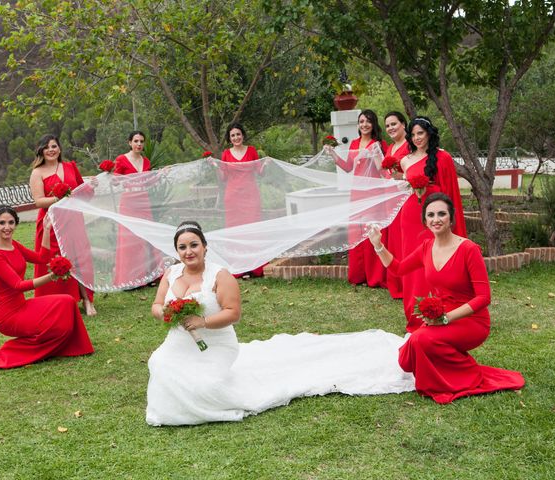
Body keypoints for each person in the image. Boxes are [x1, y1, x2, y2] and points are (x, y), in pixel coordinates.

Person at [145, 221, 415, 426]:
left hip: (215, 345)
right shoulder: (172, 273)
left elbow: (233, 313)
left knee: (210, 387)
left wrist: (202, 321)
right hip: (178, 343)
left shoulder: (220, 276)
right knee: (158, 362)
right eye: (182, 247)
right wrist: (168, 313)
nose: (188, 251)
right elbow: (156, 306)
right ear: (177, 251)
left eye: (194, 245)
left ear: (205, 247)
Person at [367, 193, 524, 403]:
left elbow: (484, 298)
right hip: (443, 316)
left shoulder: (468, 249)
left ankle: (468, 375)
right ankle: (449, 366)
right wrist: (378, 245)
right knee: (407, 357)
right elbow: (399, 269)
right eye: (430, 215)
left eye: (442, 213)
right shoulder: (426, 247)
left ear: (451, 218)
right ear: (425, 220)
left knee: (421, 340)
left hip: (471, 320)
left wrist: (445, 318)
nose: (436, 219)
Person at [0, 206, 94, 369]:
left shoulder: (14, 245)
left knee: (67, 301)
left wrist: (46, 229)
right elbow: (18, 285)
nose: (7, 227)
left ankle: (72, 346)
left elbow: (42, 257)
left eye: (11, 222)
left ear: (16, 224)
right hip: (6, 314)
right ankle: (19, 350)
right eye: (2, 223)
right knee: (55, 318)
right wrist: (53, 276)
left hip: (21, 305)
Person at [399, 116, 466, 332]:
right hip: (410, 217)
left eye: (421, 133)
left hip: (434, 218)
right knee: (414, 264)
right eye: (413, 134)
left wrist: (448, 220)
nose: (417, 138)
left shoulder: (442, 157)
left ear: (429, 133)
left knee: (434, 261)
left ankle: (437, 309)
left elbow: (449, 194)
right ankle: (415, 311)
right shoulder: (405, 160)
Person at [29, 134, 96, 315]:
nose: (51, 150)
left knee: (79, 258)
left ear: (59, 149)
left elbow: (83, 192)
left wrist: (93, 186)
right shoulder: (37, 172)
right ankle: (57, 301)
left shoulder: (70, 167)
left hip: (73, 219)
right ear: (41, 151)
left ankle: (87, 301)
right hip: (51, 223)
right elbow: (38, 201)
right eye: (47, 147)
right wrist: (59, 197)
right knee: (54, 261)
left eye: (54, 146)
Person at [325, 109, 388, 287]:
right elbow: (347, 167)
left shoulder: (379, 144)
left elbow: (383, 172)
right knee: (357, 233)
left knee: (372, 232)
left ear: (373, 124)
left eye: (368, 121)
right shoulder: (354, 143)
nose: (364, 125)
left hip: (374, 194)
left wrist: (378, 158)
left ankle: (375, 276)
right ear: (358, 125)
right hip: (357, 193)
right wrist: (332, 153)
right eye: (361, 122)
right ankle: (359, 275)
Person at [113, 130, 157, 287]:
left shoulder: (146, 162)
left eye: (141, 141)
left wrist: (159, 175)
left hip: (144, 201)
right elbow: (115, 181)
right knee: (130, 240)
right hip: (129, 202)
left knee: (147, 238)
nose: (139, 144)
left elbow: (148, 182)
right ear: (129, 143)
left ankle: (150, 275)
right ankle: (131, 279)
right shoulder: (121, 159)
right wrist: (110, 175)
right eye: (136, 141)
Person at [220, 122, 265, 278]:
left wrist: (266, 165)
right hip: (232, 198)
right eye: (233, 135)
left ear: (243, 135)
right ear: (229, 138)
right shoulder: (225, 154)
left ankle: (255, 267)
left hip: (250, 196)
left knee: (253, 230)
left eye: (238, 134)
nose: (236, 137)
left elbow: (260, 172)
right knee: (235, 233)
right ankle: (239, 268)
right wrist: (215, 166)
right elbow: (223, 177)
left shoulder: (251, 151)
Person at [383, 111, 409, 299]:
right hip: (390, 198)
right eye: (388, 126)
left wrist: (402, 176)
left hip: (406, 197)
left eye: (394, 124)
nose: (391, 128)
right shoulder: (390, 148)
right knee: (392, 240)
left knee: (404, 239)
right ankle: (396, 282)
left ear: (403, 124)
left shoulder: (410, 145)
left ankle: (408, 282)